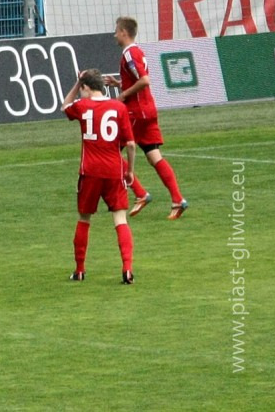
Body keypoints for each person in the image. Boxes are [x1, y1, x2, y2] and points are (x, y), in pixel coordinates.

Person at [105, 16, 188, 220]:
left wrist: (123, 95)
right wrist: (119, 84)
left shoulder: (129, 54)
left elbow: (144, 80)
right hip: (147, 110)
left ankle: (140, 193)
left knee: (109, 151)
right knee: (154, 156)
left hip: (135, 112)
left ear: (124, 32)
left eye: (116, 31)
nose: (115, 35)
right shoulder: (137, 51)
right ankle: (178, 200)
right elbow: (138, 80)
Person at [62, 69, 137, 284]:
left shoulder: (82, 106)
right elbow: (131, 145)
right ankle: (127, 269)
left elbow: (65, 106)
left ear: (86, 87)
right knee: (120, 219)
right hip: (114, 171)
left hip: (90, 171)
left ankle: (80, 270)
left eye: (82, 88)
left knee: (84, 218)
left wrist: (77, 83)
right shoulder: (119, 107)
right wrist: (130, 171)